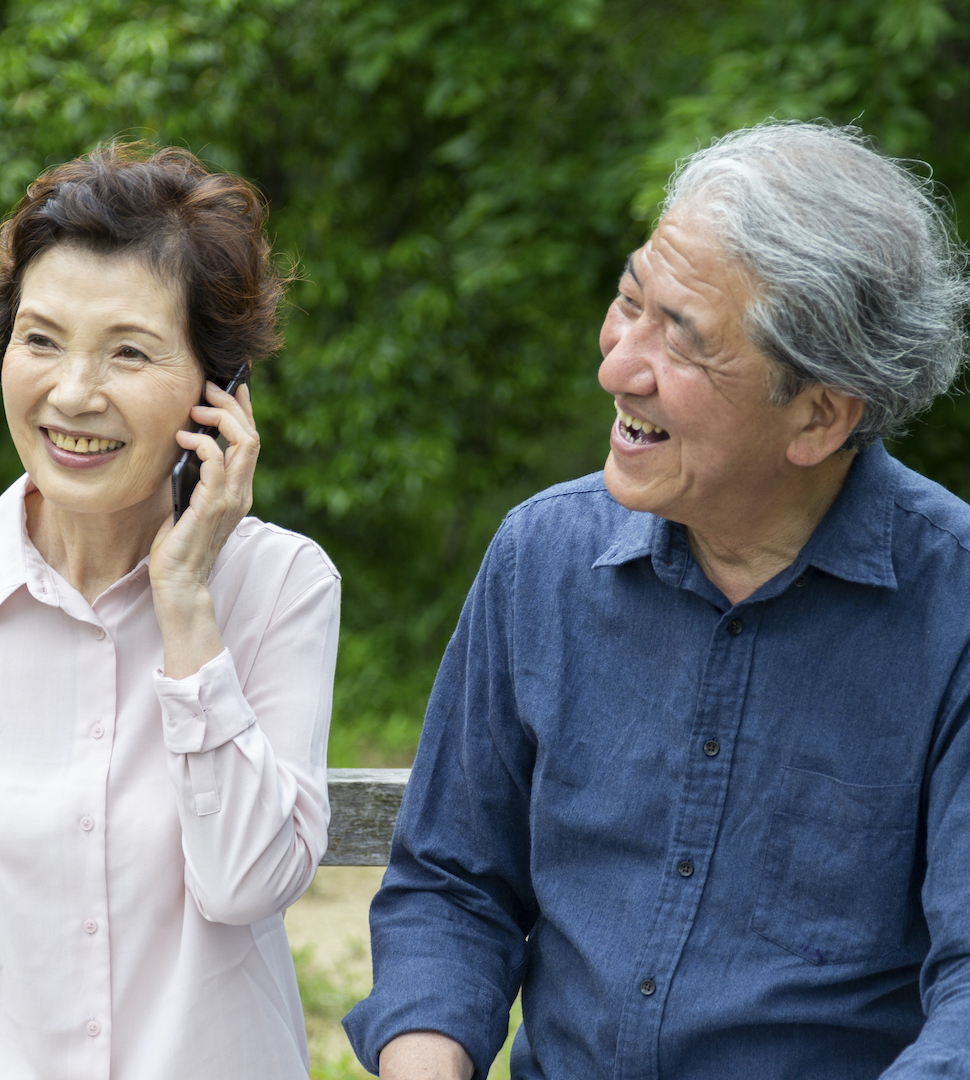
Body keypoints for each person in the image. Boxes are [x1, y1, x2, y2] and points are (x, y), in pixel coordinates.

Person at [343, 121, 970, 1079]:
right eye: (630, 302)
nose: (616, 366)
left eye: (683, 341)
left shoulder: (954, 606)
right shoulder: (541, 557)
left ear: (819, 415)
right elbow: (453, 886)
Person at [0, 143, 340, 1079]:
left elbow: (246, 883)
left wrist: (186, 602)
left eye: (129, 352)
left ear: (218, 394)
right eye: (41, 339)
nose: (74, 393)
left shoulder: (283, 586)